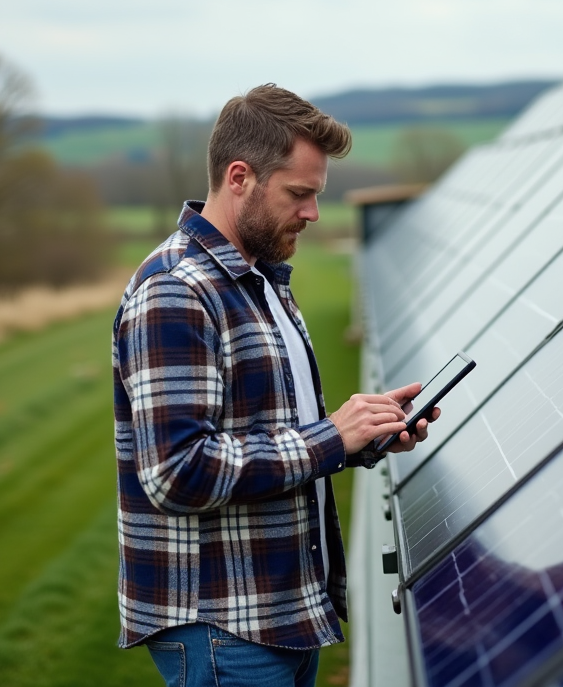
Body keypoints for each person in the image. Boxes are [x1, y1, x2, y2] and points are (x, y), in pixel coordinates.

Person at [113, 84, 433, 687]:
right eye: (299, 194)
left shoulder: (259, 281)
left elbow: (274, 434)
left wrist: (363, 436)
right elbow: (176, 472)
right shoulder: (177, 291)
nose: (313, 213)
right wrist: (329, 439)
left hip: (278, 612)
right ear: (239, 177)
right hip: (223, 627)